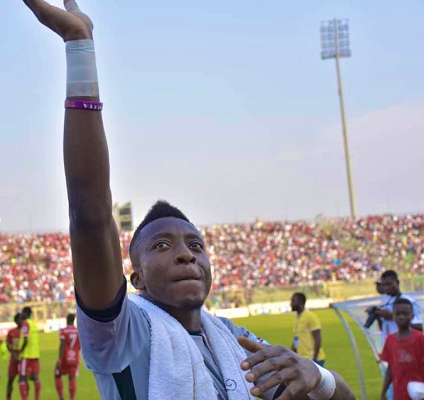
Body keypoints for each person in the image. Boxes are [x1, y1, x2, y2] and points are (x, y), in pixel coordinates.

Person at [20, 1, 356, 398]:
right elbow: (90, 213)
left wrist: (320, 377)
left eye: (196, 245)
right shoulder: (125, 335)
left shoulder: (234, 339)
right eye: (162, 245)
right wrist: (80, 48)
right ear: (136, 279)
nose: (187, 255)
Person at [380, 298, 424, 400]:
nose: (401, 317)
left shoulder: (420, 338)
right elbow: (390, 368)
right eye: (398, 314)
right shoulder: (390, 340)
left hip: (418, 393)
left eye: (405, 314)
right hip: (399, 393)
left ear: (412, 316)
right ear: (393, 316)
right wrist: (383, 392)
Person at [375, 270, 423, 341]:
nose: (386, 288)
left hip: (405, 346)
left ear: (397, 283)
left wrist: (392, 316)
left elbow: (419, 328)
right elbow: (384, 328)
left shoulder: (408, 302)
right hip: (389, 346)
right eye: (384, 285)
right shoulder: (387, 302)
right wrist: (378, 316)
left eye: (389, 284)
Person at [290, 293, 326, 366]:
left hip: (314, 359)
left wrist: (315, 358)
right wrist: (290, 354)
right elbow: (297, 339)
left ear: (300, 302)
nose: (291, 304)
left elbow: (317, 338)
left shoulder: (310, 316)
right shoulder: (297, 318)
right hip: (303, 359)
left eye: (293, 301)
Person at [54, 313, 80, 400]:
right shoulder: (77, 331)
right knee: (72, 378)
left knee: (57, 375)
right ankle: (72, 398)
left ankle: (61, 397)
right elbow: (80, 346)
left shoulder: (63, 331)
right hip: (75, 357)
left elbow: (62, 344)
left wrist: (59, 359)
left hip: (65, 358)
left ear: (67, 320)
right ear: (73, 320)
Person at [18, 307, 41, 400]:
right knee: (35, 377)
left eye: (22, 312)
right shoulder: (33, 324)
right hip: (35, 354)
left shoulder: (26, 324)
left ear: (25, 313)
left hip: (27, 355)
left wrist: (20, 351)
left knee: (22, 378)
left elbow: (25, 339)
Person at [5, 313, 23, 400]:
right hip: (14, 359)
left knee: (23, 380)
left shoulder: (25, 331)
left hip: (23, 359)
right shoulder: (11, 332)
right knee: (10, 380)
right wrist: (13, 354)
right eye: (20, 319)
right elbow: (8, 345)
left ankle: (24, 397)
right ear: (16, 321)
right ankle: (8, 397)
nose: (22, 321)